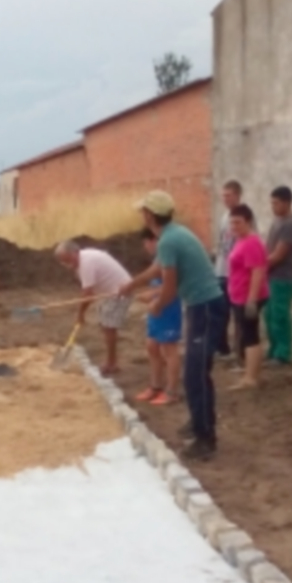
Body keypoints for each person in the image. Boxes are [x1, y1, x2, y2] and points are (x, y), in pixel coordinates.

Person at [120, 190, 225, 460]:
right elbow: (157, 269)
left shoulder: (169, 240)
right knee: (197, 373)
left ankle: (205, 438)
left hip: (205, 308)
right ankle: (200, 422)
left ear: (150, 215)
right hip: (202, 307)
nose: (141, 216)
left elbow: (169, 286)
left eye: (143, 212)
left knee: (195, 375)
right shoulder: (173, 235)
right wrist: (132, 284)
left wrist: (155, 307)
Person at [54, 240, 132, 376]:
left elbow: (87, 294)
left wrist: (80, 314)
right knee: (105, 325)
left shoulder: (86, 263)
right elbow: (89, 291)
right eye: (63, 262)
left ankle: (112, 364)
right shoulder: (83, 258)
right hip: (108, 292)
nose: (67, 265)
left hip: (119, 291)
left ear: (74, 253)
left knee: (109, 326)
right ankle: (111, 361)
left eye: (67, 260)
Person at [134, 228, 182, 405]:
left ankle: (172, 391)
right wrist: (147, 294)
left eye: (146, 242)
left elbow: (174, 285)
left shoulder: (168, 258)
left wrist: (152, 295)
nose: (146, 247)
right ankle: (155, 386)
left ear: (154, 241)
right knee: (152, 346)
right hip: (155, 310)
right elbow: (156, 284)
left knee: (169, 350)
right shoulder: (157, 260)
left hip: (168, 308)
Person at [227, 204, 269, 390]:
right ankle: (249, 372)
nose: (234, 226)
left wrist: (251, 299)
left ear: (248, 221)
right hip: (239, 295)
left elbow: (258, 271)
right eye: (232, 222)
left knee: (250, 334)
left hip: (248, 297)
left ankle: (251, 377)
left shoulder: (252, 242)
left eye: (238, 222)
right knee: (246, 333)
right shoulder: (240, 239)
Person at [264, 186, 292, 365]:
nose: (273, 206)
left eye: (276, 203)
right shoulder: (277, 221)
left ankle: (283, 352)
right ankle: (274, 348)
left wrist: (258, 266)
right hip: (271, 276)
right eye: (272, 203)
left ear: (287, 202)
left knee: (280, 314)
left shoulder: (290, 224)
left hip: (283, 276)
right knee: (269, 314)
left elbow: (279, 255)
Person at [214, 179, 243, 359]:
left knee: (238, 314)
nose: (225, 199)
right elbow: (221, 243)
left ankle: (239, 350)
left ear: (238, 195)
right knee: (220, 311)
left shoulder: (243, 216)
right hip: (222, 270)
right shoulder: (224, 216)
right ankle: (221, 347)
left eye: (229, 195)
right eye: (223, 195)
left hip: (236, 272)